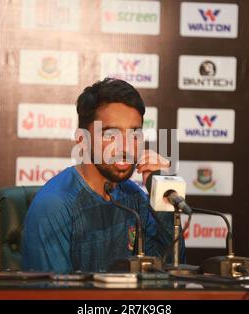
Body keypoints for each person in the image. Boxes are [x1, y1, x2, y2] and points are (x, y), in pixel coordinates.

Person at [22, 78, 185, 273]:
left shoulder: (134, 198)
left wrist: (164, 197)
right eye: (111, 134)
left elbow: (168, 270)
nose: (126, 147)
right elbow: (53, 295)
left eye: (134, 134)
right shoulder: (54, 206)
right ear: (82, 140)